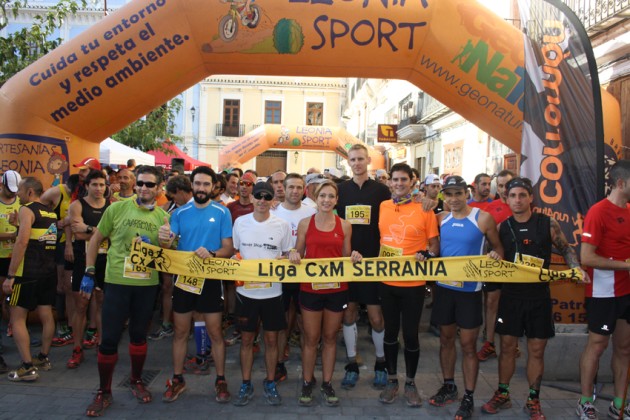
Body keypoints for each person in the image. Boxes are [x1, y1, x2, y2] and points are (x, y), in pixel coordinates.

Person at [480, 177, 588, 420]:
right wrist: (493, 256)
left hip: (538, 298)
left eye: (522, 195)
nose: (517, 200)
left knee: (536, 351)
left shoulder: (547, 223)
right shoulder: (503, 227)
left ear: (531, 198)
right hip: (511, 297)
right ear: (506, 199)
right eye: (513, 196)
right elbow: (493, 252)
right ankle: (503, 393)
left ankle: (533, 399)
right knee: (507, 348)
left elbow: (566, 249)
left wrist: (575, 267)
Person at [83, 166, 169, 417]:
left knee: (139, 337)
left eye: (150, 185)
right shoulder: (117, 208)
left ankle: (135, 379)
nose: (144, 188)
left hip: (146, 285)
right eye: (141, 183)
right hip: (117, 283)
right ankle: (103, 391)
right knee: (108, 339)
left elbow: (166, 252)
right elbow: (95, 239)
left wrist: (164, 240)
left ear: (159, 188)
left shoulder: (163, 217)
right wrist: (89, 270)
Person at [428, 175, 503, 420]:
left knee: (469, 345)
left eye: (458, 194)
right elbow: (434, 249)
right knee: (446, 340)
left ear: (466, 194)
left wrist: (495, 256)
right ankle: (449, 385)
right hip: (444, 289)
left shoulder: (482, 218)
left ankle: (469, 396)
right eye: (448, 195)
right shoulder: (440, 219)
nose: (453, 199)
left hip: (470, 291)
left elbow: (498, 248)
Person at [158, 166, 234, 404]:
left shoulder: (222, 212)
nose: (201, 188)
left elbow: (228, 248)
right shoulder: (179, 213)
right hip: (184, 280)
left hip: (210, 280)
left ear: (213, 187)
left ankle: (220, 379)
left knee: (215, 333)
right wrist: (164, 239)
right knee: (181, 332)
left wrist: (212, 253)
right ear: (192, 185)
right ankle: (178, 379)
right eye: (198, 184)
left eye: (206, 184)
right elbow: (169, 245)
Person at [289, 180, 362, 407]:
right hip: (310, 288)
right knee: (311, 338)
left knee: (330, 338)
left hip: (337, 289)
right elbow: (298, 251)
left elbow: (346, 255)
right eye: (323, 196)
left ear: (336, 200)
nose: (327, 200)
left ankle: (327, 382)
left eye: (331, 196)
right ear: (315, 198)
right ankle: (308, 381)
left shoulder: (345, 225)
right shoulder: (304, 223)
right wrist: (293, 252)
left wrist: (355, 256)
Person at [376, 163, 440, 407]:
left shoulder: (424, 208)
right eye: (395, 179)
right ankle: (392, 380)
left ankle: (411, 383)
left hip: (413, 283)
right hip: (386, 281)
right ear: (390, 182)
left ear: (413, 181)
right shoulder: (383, 206)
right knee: (390, 333)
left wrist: (428, 254)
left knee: (411, 335)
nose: (399, 183)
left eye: (404, 179)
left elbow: (435, 244)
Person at [577, 160, 630, 420]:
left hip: (627, 292)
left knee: (624, 347)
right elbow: (586, 257)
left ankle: (619, 404)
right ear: (621, 183)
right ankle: (586, 401)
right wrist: (625, 265)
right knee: (597, 346)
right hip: (602, 290)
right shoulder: (598, 211)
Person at [336, 144, 391, 391]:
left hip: (373, 263)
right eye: (353, 159)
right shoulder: (341, 190)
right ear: (348, 162)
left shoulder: (381, 190)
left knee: (377, 317)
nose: (357, 163)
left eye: (360, 159)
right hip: (347, 263)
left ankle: (381, 363)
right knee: (348, 314)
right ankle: (351, 365)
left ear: (368, 160)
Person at [232, 182, 292, 407]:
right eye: (259, 196)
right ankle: (246, 382)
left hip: (273, 293)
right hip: (245, 293)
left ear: (272, 200)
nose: (262, 201)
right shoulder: (240, 222)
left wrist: (288, 258)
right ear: (252, 198)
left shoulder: (282, 225)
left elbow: (287, 253)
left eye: (267, 197)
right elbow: (237, 252)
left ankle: (269, 381)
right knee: (246, 340)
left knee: (271, 340)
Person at [3, 177, 57, 381]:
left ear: (30, 192)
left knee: (16, 317)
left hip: (27, 273)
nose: (17, 194)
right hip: (47, 272)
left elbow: (23, 241)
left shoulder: (28, 209)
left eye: (20, 190)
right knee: (46, 313)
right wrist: (17, 225)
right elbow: (37, 236)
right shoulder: (49, 212)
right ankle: (43, 358)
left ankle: (27, 367)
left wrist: (10, 275)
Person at [270, 173, 316, 383]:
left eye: (299, 187)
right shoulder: (273, 211)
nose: (295, 191)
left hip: (307, 274)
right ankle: (279, 362)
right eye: (291, 187)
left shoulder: (312, 211)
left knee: (306, 322)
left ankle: (309, 366)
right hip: (281, 275)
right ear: (283, 189)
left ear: (304, 189)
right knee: (281, 322)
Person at [66, 170, 110, 369]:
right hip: (83, 260)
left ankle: (102, 345)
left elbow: (113, 234)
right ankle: (77, 348)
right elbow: (77, 232)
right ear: (87, 186)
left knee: (102, 304)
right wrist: (101, 233)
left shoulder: (112, 206)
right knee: (81, 305)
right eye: (95, 185)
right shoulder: (77, 205)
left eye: (102, 185)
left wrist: (89, 230)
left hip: (106, 260)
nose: (99, 189)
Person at [149, 175, 193, 341]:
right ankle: (169, 324)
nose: (171, 199)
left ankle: (189, 329)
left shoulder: (195, 207)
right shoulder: (172, 207)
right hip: (170, 256)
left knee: (189, 295)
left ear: (180, 192)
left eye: (173, 195)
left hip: (189, 260)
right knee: (168, 288)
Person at [40, 173, 81, 348]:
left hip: (78, 244)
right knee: (62, 286)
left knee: (72, 288)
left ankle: (72, 326)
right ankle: (62, 325)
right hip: (61, 244)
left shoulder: (87, 194)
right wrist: (55, 222)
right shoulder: (56, 192)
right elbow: (37, 210)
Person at [478, 169, 514, 362]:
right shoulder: (490, 209)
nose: (503, 190)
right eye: (500, 186)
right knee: (491, 303)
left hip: (517, 266)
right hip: (494, 264)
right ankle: (489, 342)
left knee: (511, 305)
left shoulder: (522, 204)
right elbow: (484, 237)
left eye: (507, 185)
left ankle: (511, 343)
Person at [0, 170, 22, 371]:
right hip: (0, 257)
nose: (12, 193)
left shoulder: (21, 202)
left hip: (15, 260)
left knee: (12, 301)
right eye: (9, 190)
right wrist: (15, 233)